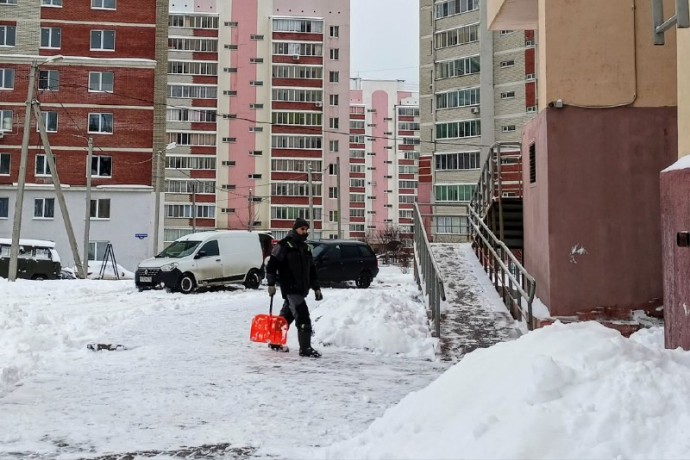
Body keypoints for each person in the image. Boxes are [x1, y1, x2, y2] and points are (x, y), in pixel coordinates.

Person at [265, 217, 323, 358]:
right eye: (302, 229)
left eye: (306, 229)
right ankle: (305, 348)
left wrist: (316, 288)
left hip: (302, 289)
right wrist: (271, 284)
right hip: (290, 288)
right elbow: (272, 265)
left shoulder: (305, 248)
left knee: (286, 316)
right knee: (303, 316)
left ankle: (275, 341)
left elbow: (312, 270)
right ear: (295, 229)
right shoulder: (284, 245)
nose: (305, 232)